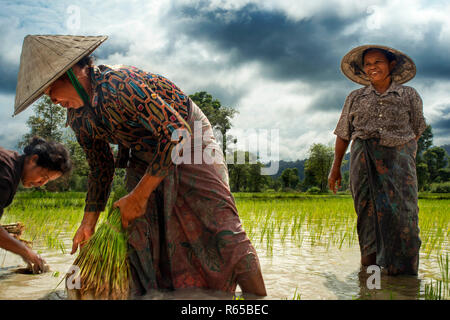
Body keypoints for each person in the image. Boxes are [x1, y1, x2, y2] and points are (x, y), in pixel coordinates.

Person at [13, 35, 266, 296]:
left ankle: (257, 298)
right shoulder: (78, 117)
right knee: (138, 230)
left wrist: (140, 195)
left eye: (51, 90)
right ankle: (156, 294)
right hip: (144, 150)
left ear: (74, 73)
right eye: (46, 96)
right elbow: (101, 168)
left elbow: (177, 134)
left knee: (221, 225)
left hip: (189, 137)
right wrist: (88, 223)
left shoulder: (119, 85)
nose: (52, 100)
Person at [328, 45, 427, 275]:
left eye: (378, 62)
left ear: (391, 65)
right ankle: (370, 274)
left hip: (399, 162)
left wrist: (401, 151)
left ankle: (403, 278)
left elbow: (416, 130)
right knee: (367, 214)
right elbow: (344, 134)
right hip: (363, 159)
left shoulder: (409, 95)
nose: (372, 67)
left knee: (405, 215)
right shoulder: (355, 97)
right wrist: (335, 168)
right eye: (368, 64)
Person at [0, 136, 72, 273]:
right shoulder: (5, 173)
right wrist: (27, 252)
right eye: (44, 176)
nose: (41, 184)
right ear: (33, 160)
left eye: (47, 181)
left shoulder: (10, 165)